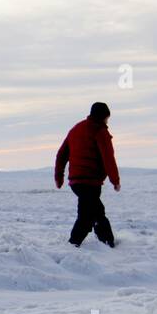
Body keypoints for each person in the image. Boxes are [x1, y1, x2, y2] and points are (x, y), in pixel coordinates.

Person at [54, 102, 120, 247]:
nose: (107, 122)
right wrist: (115, 180)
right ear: (103, 117)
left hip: (76, 183)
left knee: (93, 211)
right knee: (90, 215)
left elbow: (61, 155)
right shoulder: (100, 131)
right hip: (90, 182)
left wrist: (59, 178)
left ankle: (104, 242)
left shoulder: (76, 129)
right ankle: (77, 244)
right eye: (107, 118)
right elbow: (108, 157)